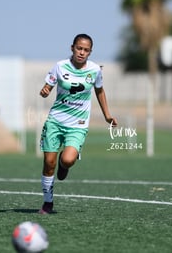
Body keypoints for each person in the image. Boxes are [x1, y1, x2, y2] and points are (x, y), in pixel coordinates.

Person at [38, 34, 118, 214]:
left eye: (86, 50)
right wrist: (45, 91)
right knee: (48, 163)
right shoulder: (59, 66)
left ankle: (64, 165)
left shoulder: (95, 70)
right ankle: (48, 203)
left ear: (90, 52)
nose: (82, 52)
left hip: (78, 124)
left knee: (67, 159)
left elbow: (100, 91)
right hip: (55, 121)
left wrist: (107, 115)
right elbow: (48, 87)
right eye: (79, 48)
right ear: (72, 48)